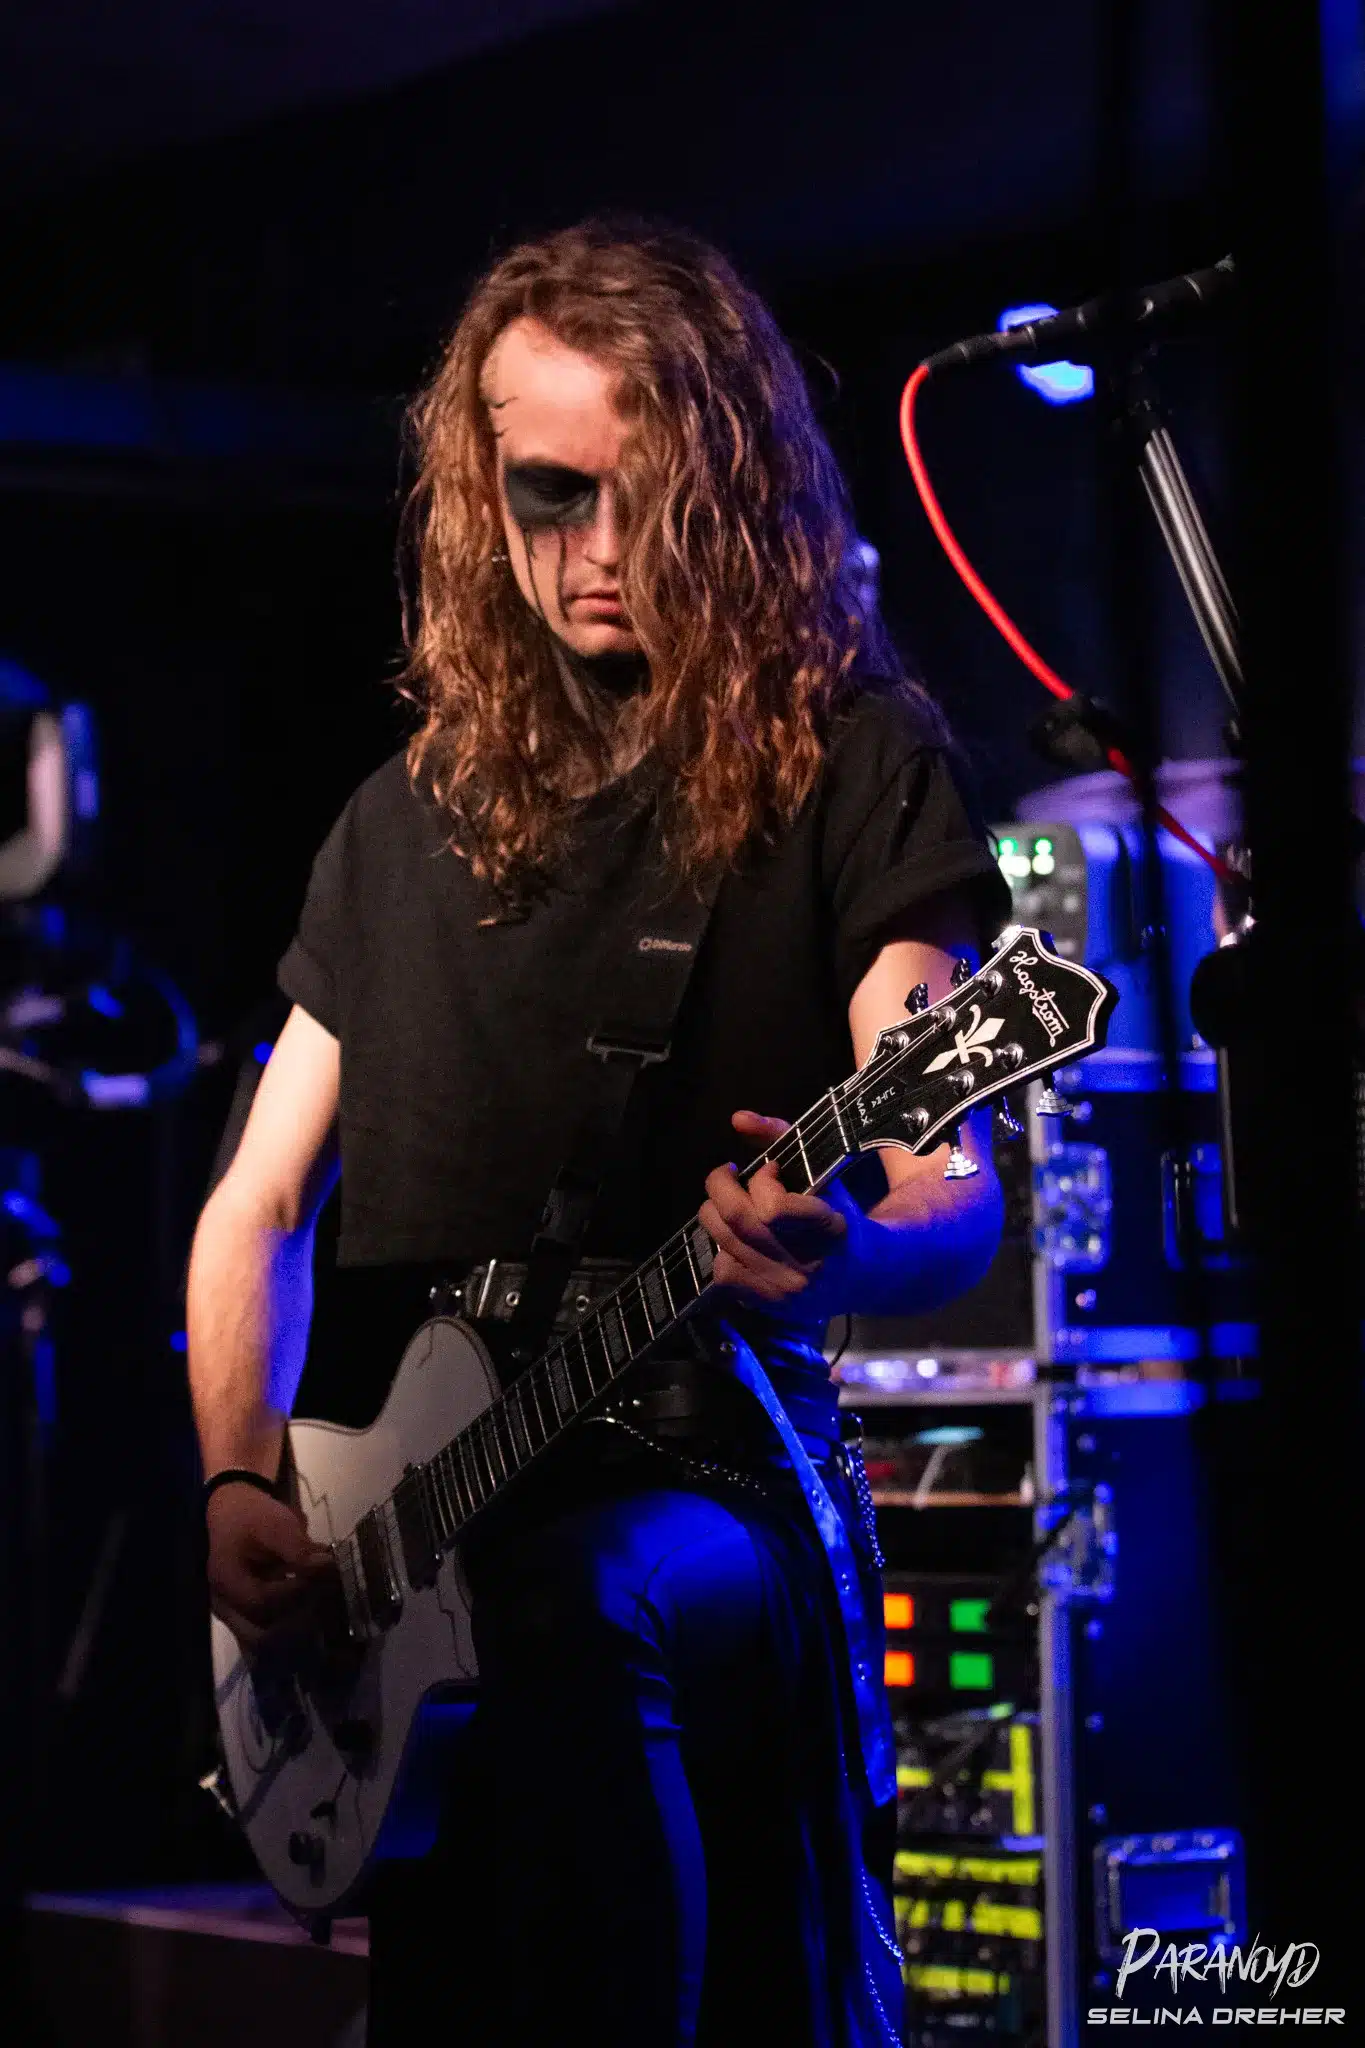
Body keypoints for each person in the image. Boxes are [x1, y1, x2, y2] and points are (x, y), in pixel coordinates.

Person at [187, 219, 1011, 2047]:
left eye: (652, 497)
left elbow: (951, 1186)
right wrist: (240, 1483)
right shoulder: (397, 821)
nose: (603, 550)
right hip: (414, 1533)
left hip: (708, 1473)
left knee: (571, 1606)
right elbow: (253, 1206)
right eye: (551, 497)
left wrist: (849, 1252)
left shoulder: (846, 762)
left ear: (737, 488)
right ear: (480, 492)